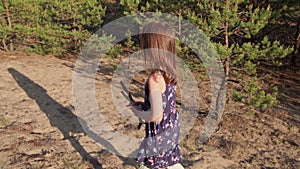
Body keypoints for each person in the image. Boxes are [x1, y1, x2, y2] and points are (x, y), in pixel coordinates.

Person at [130, 21, 184, 169]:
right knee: (168, 162)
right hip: (171, 131)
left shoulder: (155, 78)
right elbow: (163, 103)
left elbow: (156, 116)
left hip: (159, 135)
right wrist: (145, 105)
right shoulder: (169, 73)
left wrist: (138, 112)